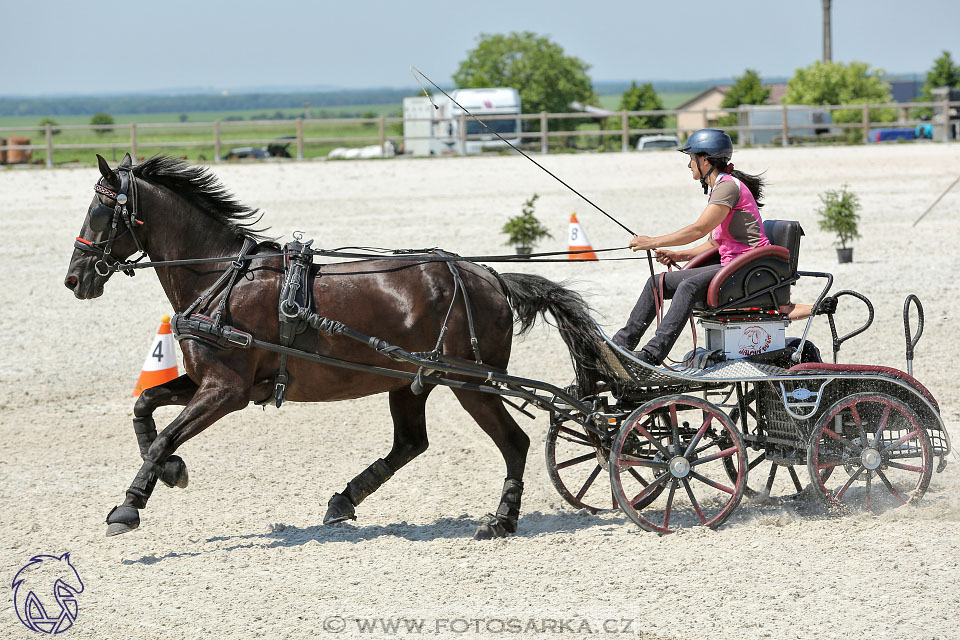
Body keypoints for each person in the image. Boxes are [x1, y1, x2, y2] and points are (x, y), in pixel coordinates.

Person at [613, 128, 774, 365]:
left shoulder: (728, 187)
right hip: (732, 265)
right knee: (656, 283)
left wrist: (652, 241)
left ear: (705, 160)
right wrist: (677, 254)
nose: (689, 165)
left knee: (688, 287)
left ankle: (652, 354)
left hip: (748, 269)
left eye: (691, 158)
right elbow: (713, 242)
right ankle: (619, 348)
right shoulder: (720, 187)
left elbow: (698, 229)